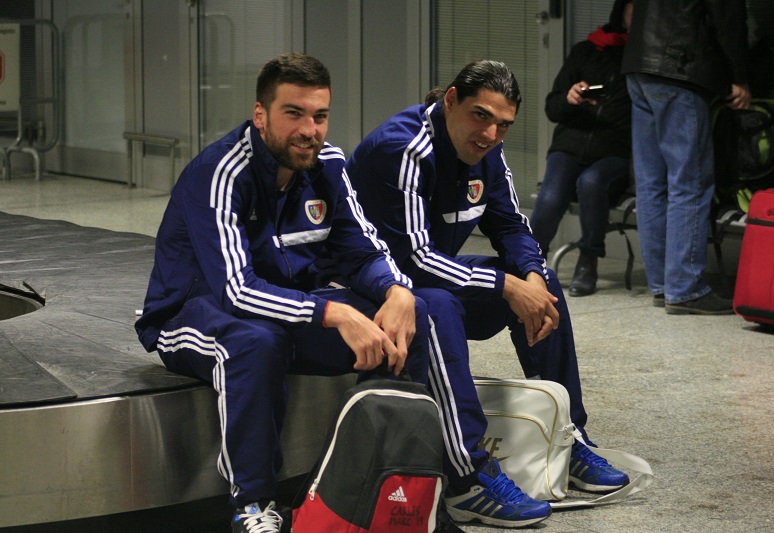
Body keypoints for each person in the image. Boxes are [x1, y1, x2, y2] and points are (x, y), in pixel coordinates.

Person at [134, 53, 432, 533]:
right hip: (191, 314)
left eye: (320, 116)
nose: (309, 130)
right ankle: (253, 506)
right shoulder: (220, 172)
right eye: (294, 113)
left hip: (286, 307)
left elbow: (363, 249)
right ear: (261, 115)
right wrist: (335, 314)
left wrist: (396, 289)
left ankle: (381, 488)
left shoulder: (328, 165)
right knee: (257, 342)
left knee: (406, 317)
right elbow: (236, 291)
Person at [344, 59, 629, 528]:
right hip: (374, 291)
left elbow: (510, 224)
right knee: (438, 305)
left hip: (429, 279)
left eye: (503, 124)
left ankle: (568, 435)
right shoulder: (403, 148)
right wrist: (506, 285)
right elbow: (413, 260)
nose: (491, 134)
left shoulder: (486, 148)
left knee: (542, 284)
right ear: (451, 100)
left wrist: (531, 275)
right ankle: (468, 480)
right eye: (481, 116)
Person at [621, 0, 751, 314]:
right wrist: (740, 76)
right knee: (689, 182)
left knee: (650, 185)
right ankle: (685, 288)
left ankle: (662, 285)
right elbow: (728, 19)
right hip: (679, 67)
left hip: (639, 65)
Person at [530, 0, 634, 297]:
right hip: (570, 145)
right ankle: (529, 262)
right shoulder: (585, 51)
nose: (637, 16)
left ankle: (589, 261)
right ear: (621, 12)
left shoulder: (643, 59)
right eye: (632, 9)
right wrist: (570, 98)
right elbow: (553, 107)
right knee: (550, 198)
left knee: (591, 183)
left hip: (614, 151)